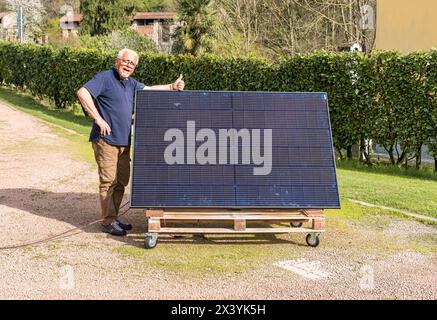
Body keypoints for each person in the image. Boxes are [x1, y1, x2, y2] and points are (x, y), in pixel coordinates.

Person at [77, 48, 185, 236]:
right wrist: (98, 119)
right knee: (108, 182)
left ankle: (113, 215)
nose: (128, 65)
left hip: (124, 141)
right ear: (117, 61)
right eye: (126, 61)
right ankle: (108, 221)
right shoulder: (105, 78)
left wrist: (171, 87)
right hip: (106, 140)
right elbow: (82, 93)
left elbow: (149, 90)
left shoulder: (130, 83)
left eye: (132, 64)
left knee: (121, 181)